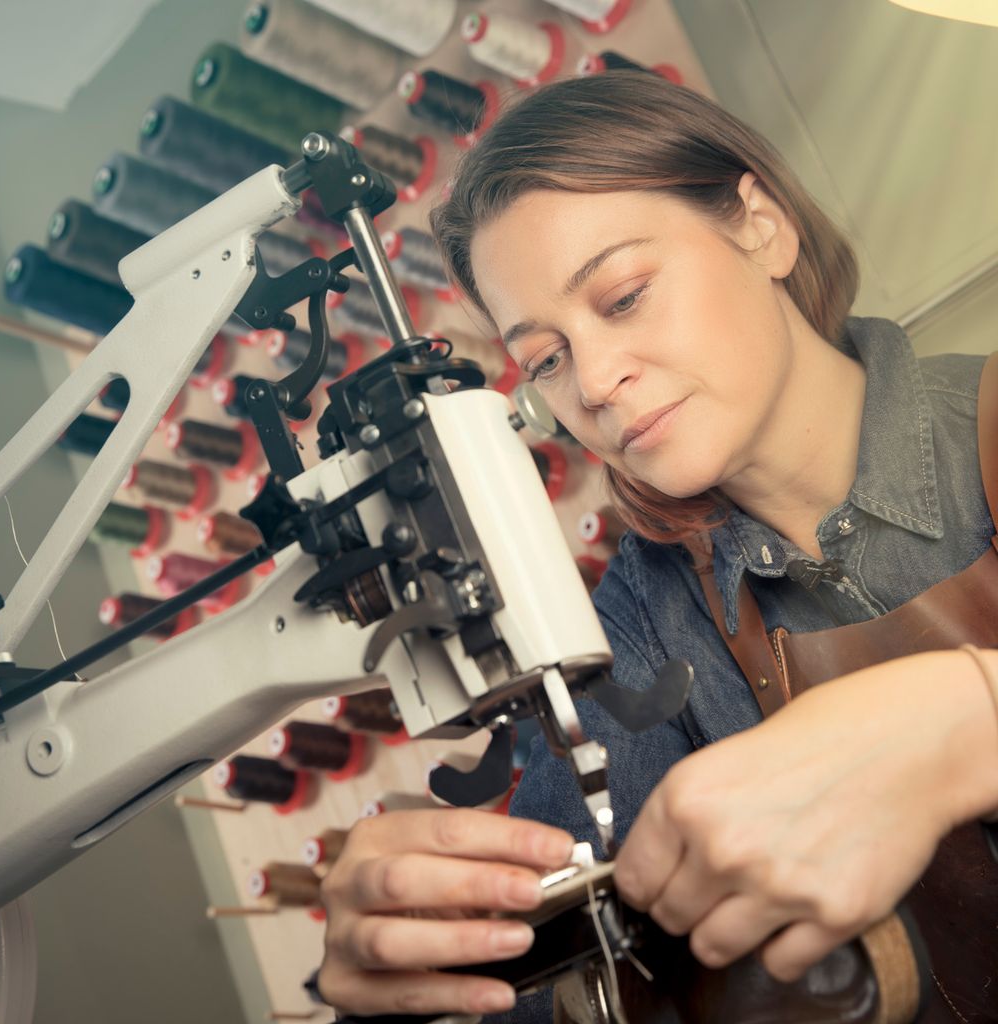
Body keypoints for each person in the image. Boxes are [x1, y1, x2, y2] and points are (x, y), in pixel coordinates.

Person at [315, 71, 998, 1021]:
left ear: (760, 226)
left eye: (624, 296)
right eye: (544, 359)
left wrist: (967, 712)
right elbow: (563, 976)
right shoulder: (643, 628)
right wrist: (420, 977)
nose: (593, 381)